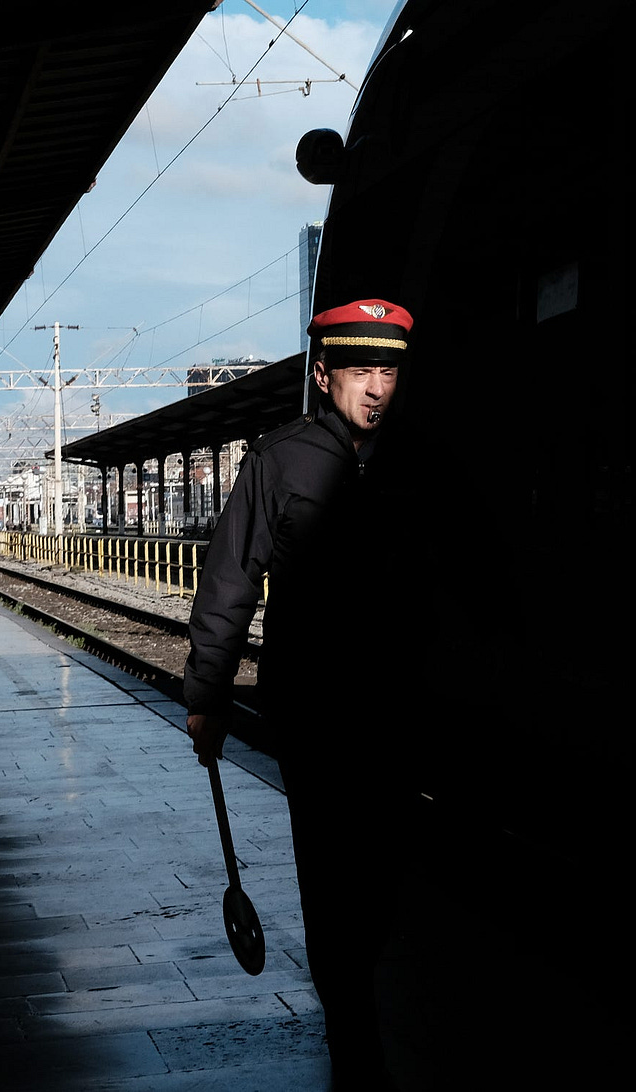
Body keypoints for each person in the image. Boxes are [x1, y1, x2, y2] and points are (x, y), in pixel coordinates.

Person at [184, 299, 425, 1090]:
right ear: (325, 376)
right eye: (361, 372)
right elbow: (228, 581)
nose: (376, 388)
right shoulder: (279, 461)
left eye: (387, 370)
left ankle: (357, 981)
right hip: (316, 710)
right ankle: (353, 1030)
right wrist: (207, 694)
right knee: (330, 873)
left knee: (383, 871)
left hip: (399, 705)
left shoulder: (422, 456)